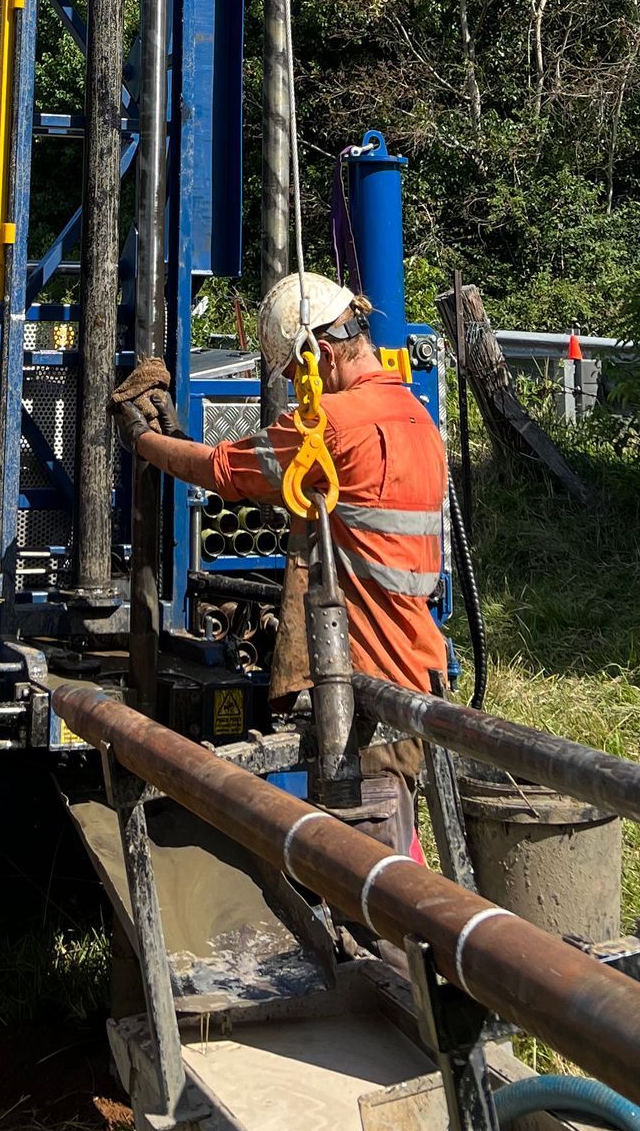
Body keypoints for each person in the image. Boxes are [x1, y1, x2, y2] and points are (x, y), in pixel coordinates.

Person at [113, 275, 447, 854]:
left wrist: (142, 439)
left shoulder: (332, 423)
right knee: (399, 838)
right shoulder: (418, 420)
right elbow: (252, 471)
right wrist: (180, 436)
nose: (296, 390)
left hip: (362, 678)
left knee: (374, 877)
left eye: (296, 375)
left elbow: (223, 472)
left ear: (316, 353)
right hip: (419, 665)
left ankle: (391, 944)